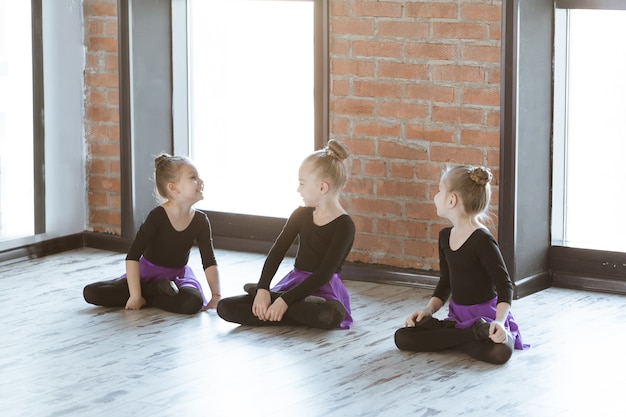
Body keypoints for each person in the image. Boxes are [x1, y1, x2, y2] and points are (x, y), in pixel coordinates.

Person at [394, 165, 528, 364]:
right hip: (458, 320)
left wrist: (499, 322)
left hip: (487, 318)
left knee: (501, 352)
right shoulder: (445, 236)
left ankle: (466, 335)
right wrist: (428, 311)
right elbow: (446, 282)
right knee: (402, 337)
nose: (435, 197)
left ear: (451, 200)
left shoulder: (483, 240)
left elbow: (504, 286)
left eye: (439, 191)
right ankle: (470, 335)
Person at [217, 139, 355, 329]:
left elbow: (323, 274)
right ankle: (284, 303)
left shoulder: (344, 226)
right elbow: (277, 251)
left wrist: (284, 301)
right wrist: (263, 288)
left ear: (322, 187)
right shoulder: (300, 214)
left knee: (329, 316)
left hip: (324, 289)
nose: (298, 189)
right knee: (225, 307)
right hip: (294, 284)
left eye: (302, 183)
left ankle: (279, 305)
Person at [83, 154, 221, 315]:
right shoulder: (158, 216)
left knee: (193, 302)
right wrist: (135, 295)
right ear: (173, 187)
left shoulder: (201, 221)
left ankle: (151, 295)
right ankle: (153, 290)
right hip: (145, 275)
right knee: (91, 292)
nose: (201, 181)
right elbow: (133, 256)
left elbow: (209, 261)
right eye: (193, 177)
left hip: (177, 277)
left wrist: (216, 295)